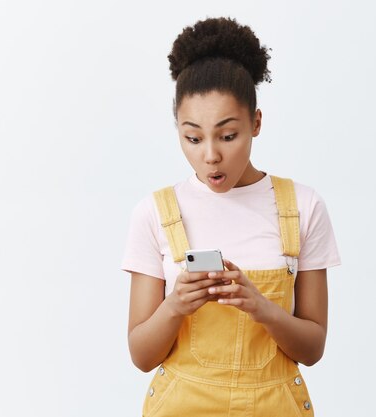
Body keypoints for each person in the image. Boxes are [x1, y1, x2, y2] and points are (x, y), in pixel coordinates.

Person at [122, 17, 341, 417]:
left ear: (256, 123)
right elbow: (141, 354)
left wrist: (261, 308)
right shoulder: (155, 213)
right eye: (192, 137)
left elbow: (312, 349)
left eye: (227, 135)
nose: (210, 155)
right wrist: (175, 306)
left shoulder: (302, 207)